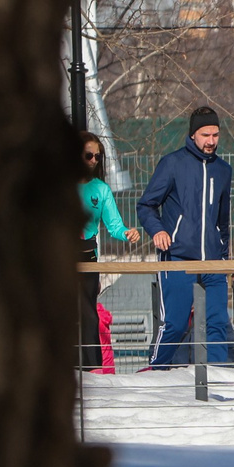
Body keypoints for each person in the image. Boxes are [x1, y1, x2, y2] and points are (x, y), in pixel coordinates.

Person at [138, 104, 234, 368]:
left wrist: (225, 256)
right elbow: (146, 205)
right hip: (178, 257)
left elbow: (222, 220)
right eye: (206, 135)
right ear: (193, 134)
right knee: (175, 323)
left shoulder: (223, 170)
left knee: (218, 322)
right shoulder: (172, 163)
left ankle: (217, 379)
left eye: (215, 135)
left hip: (213, 260)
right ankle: (157, 370)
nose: (211, 141)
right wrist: (157, 230)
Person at [77, 132, 141, 370]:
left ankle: (91, 368)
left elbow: (114, 225)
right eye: (88, 155)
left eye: (98, 156)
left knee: (87, 311)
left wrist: (126, 233)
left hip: (87, 254)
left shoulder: (101, 189)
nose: (93, 160)